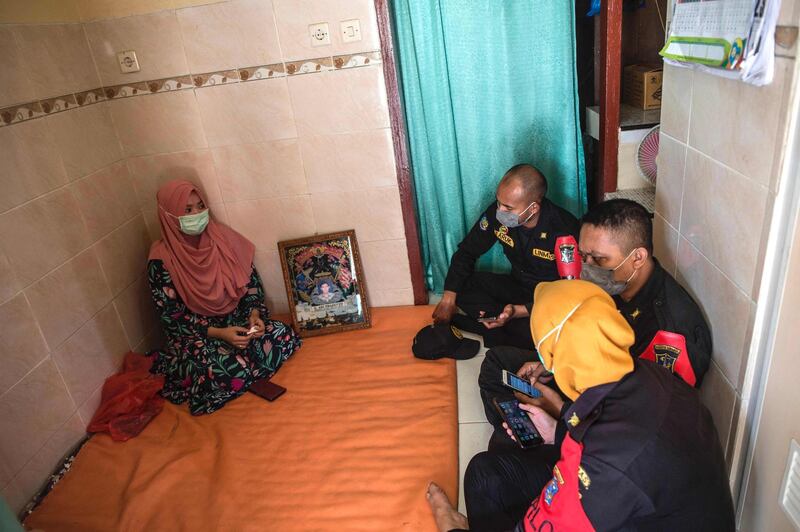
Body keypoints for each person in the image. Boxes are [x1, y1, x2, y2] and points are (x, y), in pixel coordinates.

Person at [427, 280, 735, 532]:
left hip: (617, 498)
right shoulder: (649, 375)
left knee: (489, 478)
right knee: (486, 471)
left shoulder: (604, 467)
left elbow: (604, 467)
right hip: (648, 505)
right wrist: (560, 428)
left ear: (555, 357)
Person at [479, 199, 712, 437]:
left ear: (638, 258)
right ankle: (524, 433)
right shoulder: (615, 284)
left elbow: (643, 420)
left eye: (599, 259)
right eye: (583, 256)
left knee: (494, 461)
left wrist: (562, 415)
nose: (587, 267)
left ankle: (535, 442)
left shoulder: (670, 331)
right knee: (497, 362)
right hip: (585, 386)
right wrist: (553, 365)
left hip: (612, 430)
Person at [147, 180, 301, 415]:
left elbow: (250, 286)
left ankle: (244, 363)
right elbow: (172, 318)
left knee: (282, 335)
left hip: (237, 321)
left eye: (200, 206)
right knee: (227, 370)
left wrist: (254, 316)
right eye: (187, 210)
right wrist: (219, 333)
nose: (197, 214)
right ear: (168, 215)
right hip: (199, 335)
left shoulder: (224, 241)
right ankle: (241, 366)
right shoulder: (161, 261)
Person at [431, 164, 579, 349]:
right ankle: (503, 324)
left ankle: (500, 327)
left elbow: (571, 290)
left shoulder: (563, 229)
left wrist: (522, 311)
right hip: (517, 286)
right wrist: (448, 299)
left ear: (533, 208)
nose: (500, 210)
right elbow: (467, 252)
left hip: (548, 298)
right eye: (498, 202)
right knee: (461, 285)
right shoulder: (498, 213)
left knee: (560, 326)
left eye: (508, 207)